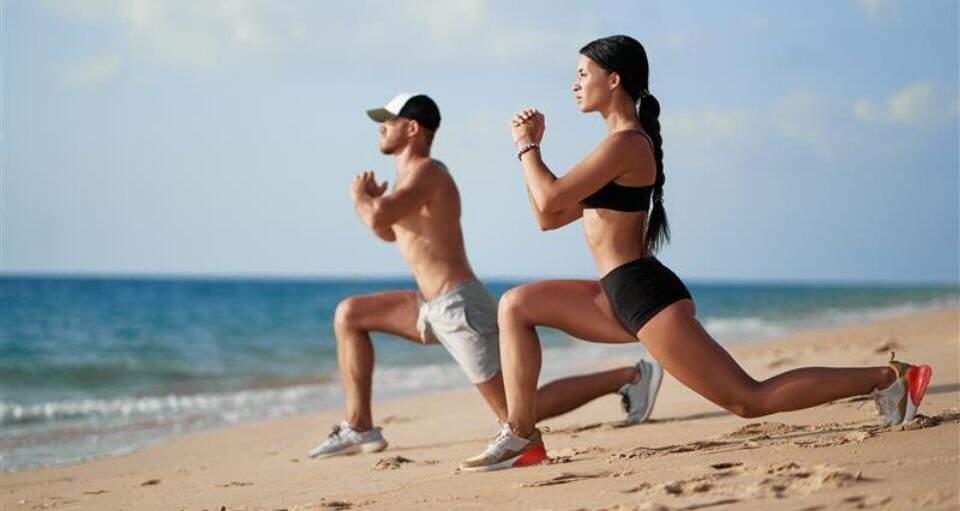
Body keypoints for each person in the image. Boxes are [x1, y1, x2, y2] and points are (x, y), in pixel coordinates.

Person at [459, 36, 933, 472]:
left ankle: (889, 378)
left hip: (644, 295)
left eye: (583, 73)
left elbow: (548, 199)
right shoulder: (614, 146)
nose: (575, 83)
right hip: (615, 292)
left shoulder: (626, 143)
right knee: (516, 304)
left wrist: (526, 146)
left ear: (614, 79)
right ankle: (522, 437)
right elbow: (548, 216)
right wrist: (532, 155)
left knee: (747, 400)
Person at [307, 92, 664, 459]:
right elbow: (387, 231)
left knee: (516, 410)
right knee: (350, 314)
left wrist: (362, 198)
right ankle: (360, 427)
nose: (382, 127)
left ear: (412, 128)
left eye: (389, 120)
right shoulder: (406, 183)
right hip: (427, 307)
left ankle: (630, 376)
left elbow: (378, 218)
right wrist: (373, 202)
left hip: (458, 307)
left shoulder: (428, 173)